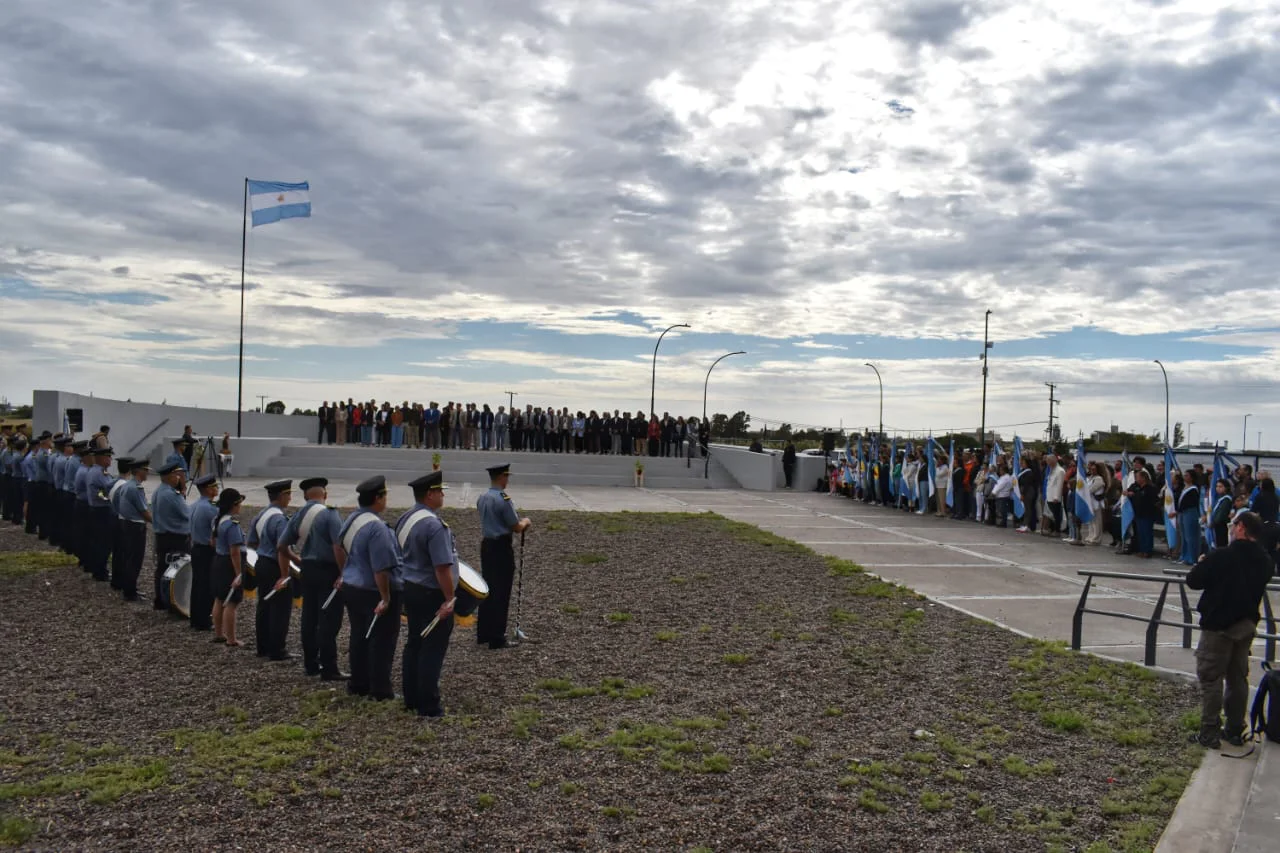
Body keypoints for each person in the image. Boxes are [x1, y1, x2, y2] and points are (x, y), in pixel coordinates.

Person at [1186, 511, 1275, 748]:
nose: (1231, 528)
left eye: (1233, 524)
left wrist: (1202, 563)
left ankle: (1209, 732)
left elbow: (1194, 581)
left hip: (1217, 626)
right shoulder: (1265, 560)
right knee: (1238, 678)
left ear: (1242, 527)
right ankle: (1235, 729)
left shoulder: (1222, 555)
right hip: (1246, 625)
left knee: (1211, 678)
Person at [336, 475, 403, 699]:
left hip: (353, 585)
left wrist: (344, 572)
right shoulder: (377, 528)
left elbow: (337, 545)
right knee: (382, 641)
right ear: (378, 498)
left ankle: (358, 683)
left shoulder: (352, 519)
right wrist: (386, 597)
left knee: (359, 636)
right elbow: (381, 568)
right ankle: (380, 690)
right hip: (373, 590)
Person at [397, 471, 457, 717]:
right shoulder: (434, 525)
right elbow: (441, 567)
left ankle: (411, 698)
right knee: (432, 648)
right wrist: (449, 598)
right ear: (430, 494)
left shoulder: (406, 518)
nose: (443, 495)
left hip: (410, 586)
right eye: (440, 491)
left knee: (415, 643)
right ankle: (428, 705)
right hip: (431, 591)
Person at [277, 477, 346, 680]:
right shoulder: (330, 514)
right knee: (329, 619)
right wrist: (343, 572)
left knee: (309, 618)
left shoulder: (299, 515)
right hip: (328, 570)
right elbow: (338, 546)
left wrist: (297, 560)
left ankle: (311, 664)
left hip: (307, 569)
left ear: (306, 496)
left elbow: (281, 546)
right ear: (325, 494)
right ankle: (329, 668)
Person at [476, 464, 532, 650]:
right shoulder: (503, 500)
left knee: (487, 588)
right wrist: (526, 522)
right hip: (501, 546)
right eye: (506, 476)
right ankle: (497, 637)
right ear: (501, 477)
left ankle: (484, 632)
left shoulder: (482, 498)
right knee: (501, 591)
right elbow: (516, 527)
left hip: (487, 545)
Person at [249, 480, 294, 661]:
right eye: (289, 494)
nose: (290, 499)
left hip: (261, 562)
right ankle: (277, 649)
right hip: (275, 566)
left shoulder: (261, 515)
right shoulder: (280, 519)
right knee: (280, 609)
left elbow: (252, 542)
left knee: (264, 605)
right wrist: (284, 575)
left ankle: (263, 647)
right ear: (282, 496)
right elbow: (282, 548)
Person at [151, 462, 191, 612]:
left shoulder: (158, 491)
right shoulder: (172, 495)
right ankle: (175, 600)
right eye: (176, 475)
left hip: (162, 536)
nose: (179, 478)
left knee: (162, 569)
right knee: (178, 571)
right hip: (176, 537)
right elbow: (187, 514)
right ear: (169, 476)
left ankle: (160, 600)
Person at [211, 489, 247, 647]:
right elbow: (234, 552)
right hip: (229, 564)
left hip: (219, 560)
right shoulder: (232, 525)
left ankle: (219, 634)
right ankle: (231, 639)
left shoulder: (217, 520)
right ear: (234, 505)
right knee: (232, 602)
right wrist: (239, 574)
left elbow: (212, 542)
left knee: (219, 599)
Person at [116, 459, 152, 602]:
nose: (147, 473)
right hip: (135, 527)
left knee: (129, 558)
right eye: (146, 470)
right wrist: (157, 523)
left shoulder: (127, 485)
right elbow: (144, 511)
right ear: (139, 471)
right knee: (135, 560)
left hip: (127, 524)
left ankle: (129, 588)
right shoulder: (135, 488)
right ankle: (130, 592)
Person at [188, 474, 220, 631]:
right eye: (215, 486)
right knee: (207, 586)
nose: (217, 488)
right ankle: (204, 620)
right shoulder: (211, 508)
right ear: (208, 489)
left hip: (196, 548)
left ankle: (195, 618)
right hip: (207, 550)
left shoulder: (194, 505)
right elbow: (216, 533)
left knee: (197, 585)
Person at [85, 446, 116, 583]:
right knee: (103, 543)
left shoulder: (95, 471)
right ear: (102, 458)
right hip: (101, 511)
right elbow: (109, 490)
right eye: (108, 457)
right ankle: (100, 571)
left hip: (96, 510)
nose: (110, 459)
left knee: (98, 541)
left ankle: (98, 569)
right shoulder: (100, 473)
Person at [1126, 469, 1160, 558]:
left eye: (1138, 477)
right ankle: (1142, 549)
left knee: (1147, 532)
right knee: (1140, 533)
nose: (1136, 479)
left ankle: (1147, 550)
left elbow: (1153, 501)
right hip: (1138, 513)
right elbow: (1134, 495)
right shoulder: (1137, 488)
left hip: (1147, 514)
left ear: (1143, 478)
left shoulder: (1150, 488)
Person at [1177, 470, 1202, 566]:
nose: (1185, 477)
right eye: (1184, 475)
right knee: (1183, 536)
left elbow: (1191, 503)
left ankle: (1192, 557)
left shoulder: (1193, 489)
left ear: (1192, 478)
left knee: (1190, 536)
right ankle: (1184, 556)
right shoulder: (1184, 487)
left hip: (1190, 513)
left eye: (1187, 475)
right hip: (1182, 513)